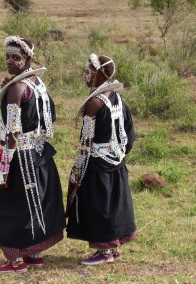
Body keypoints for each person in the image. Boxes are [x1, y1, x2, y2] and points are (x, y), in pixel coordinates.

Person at [0, 35, 65, 274]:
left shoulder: (17, 88)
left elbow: (12, 132)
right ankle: (33, 253)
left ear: (28, 58)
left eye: (16, 57)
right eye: (7, 56)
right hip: (39, 153)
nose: (10, 61)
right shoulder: (36, 83)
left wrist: (3, 170)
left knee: (4, 204)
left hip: (19, 157)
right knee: (34, 202)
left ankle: (16, 260)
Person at [66, 53, 137, 265]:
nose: (85, 76)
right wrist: (119, 156)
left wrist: (77, 170)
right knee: (113, 204)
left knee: (98, 206)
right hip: (116, 162)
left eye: (88, 72)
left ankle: (104, 252)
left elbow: (86, 143)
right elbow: (129, 134)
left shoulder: (94, 103)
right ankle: (113, 248)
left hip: (97, 165)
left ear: (99, 74)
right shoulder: (117, 99)